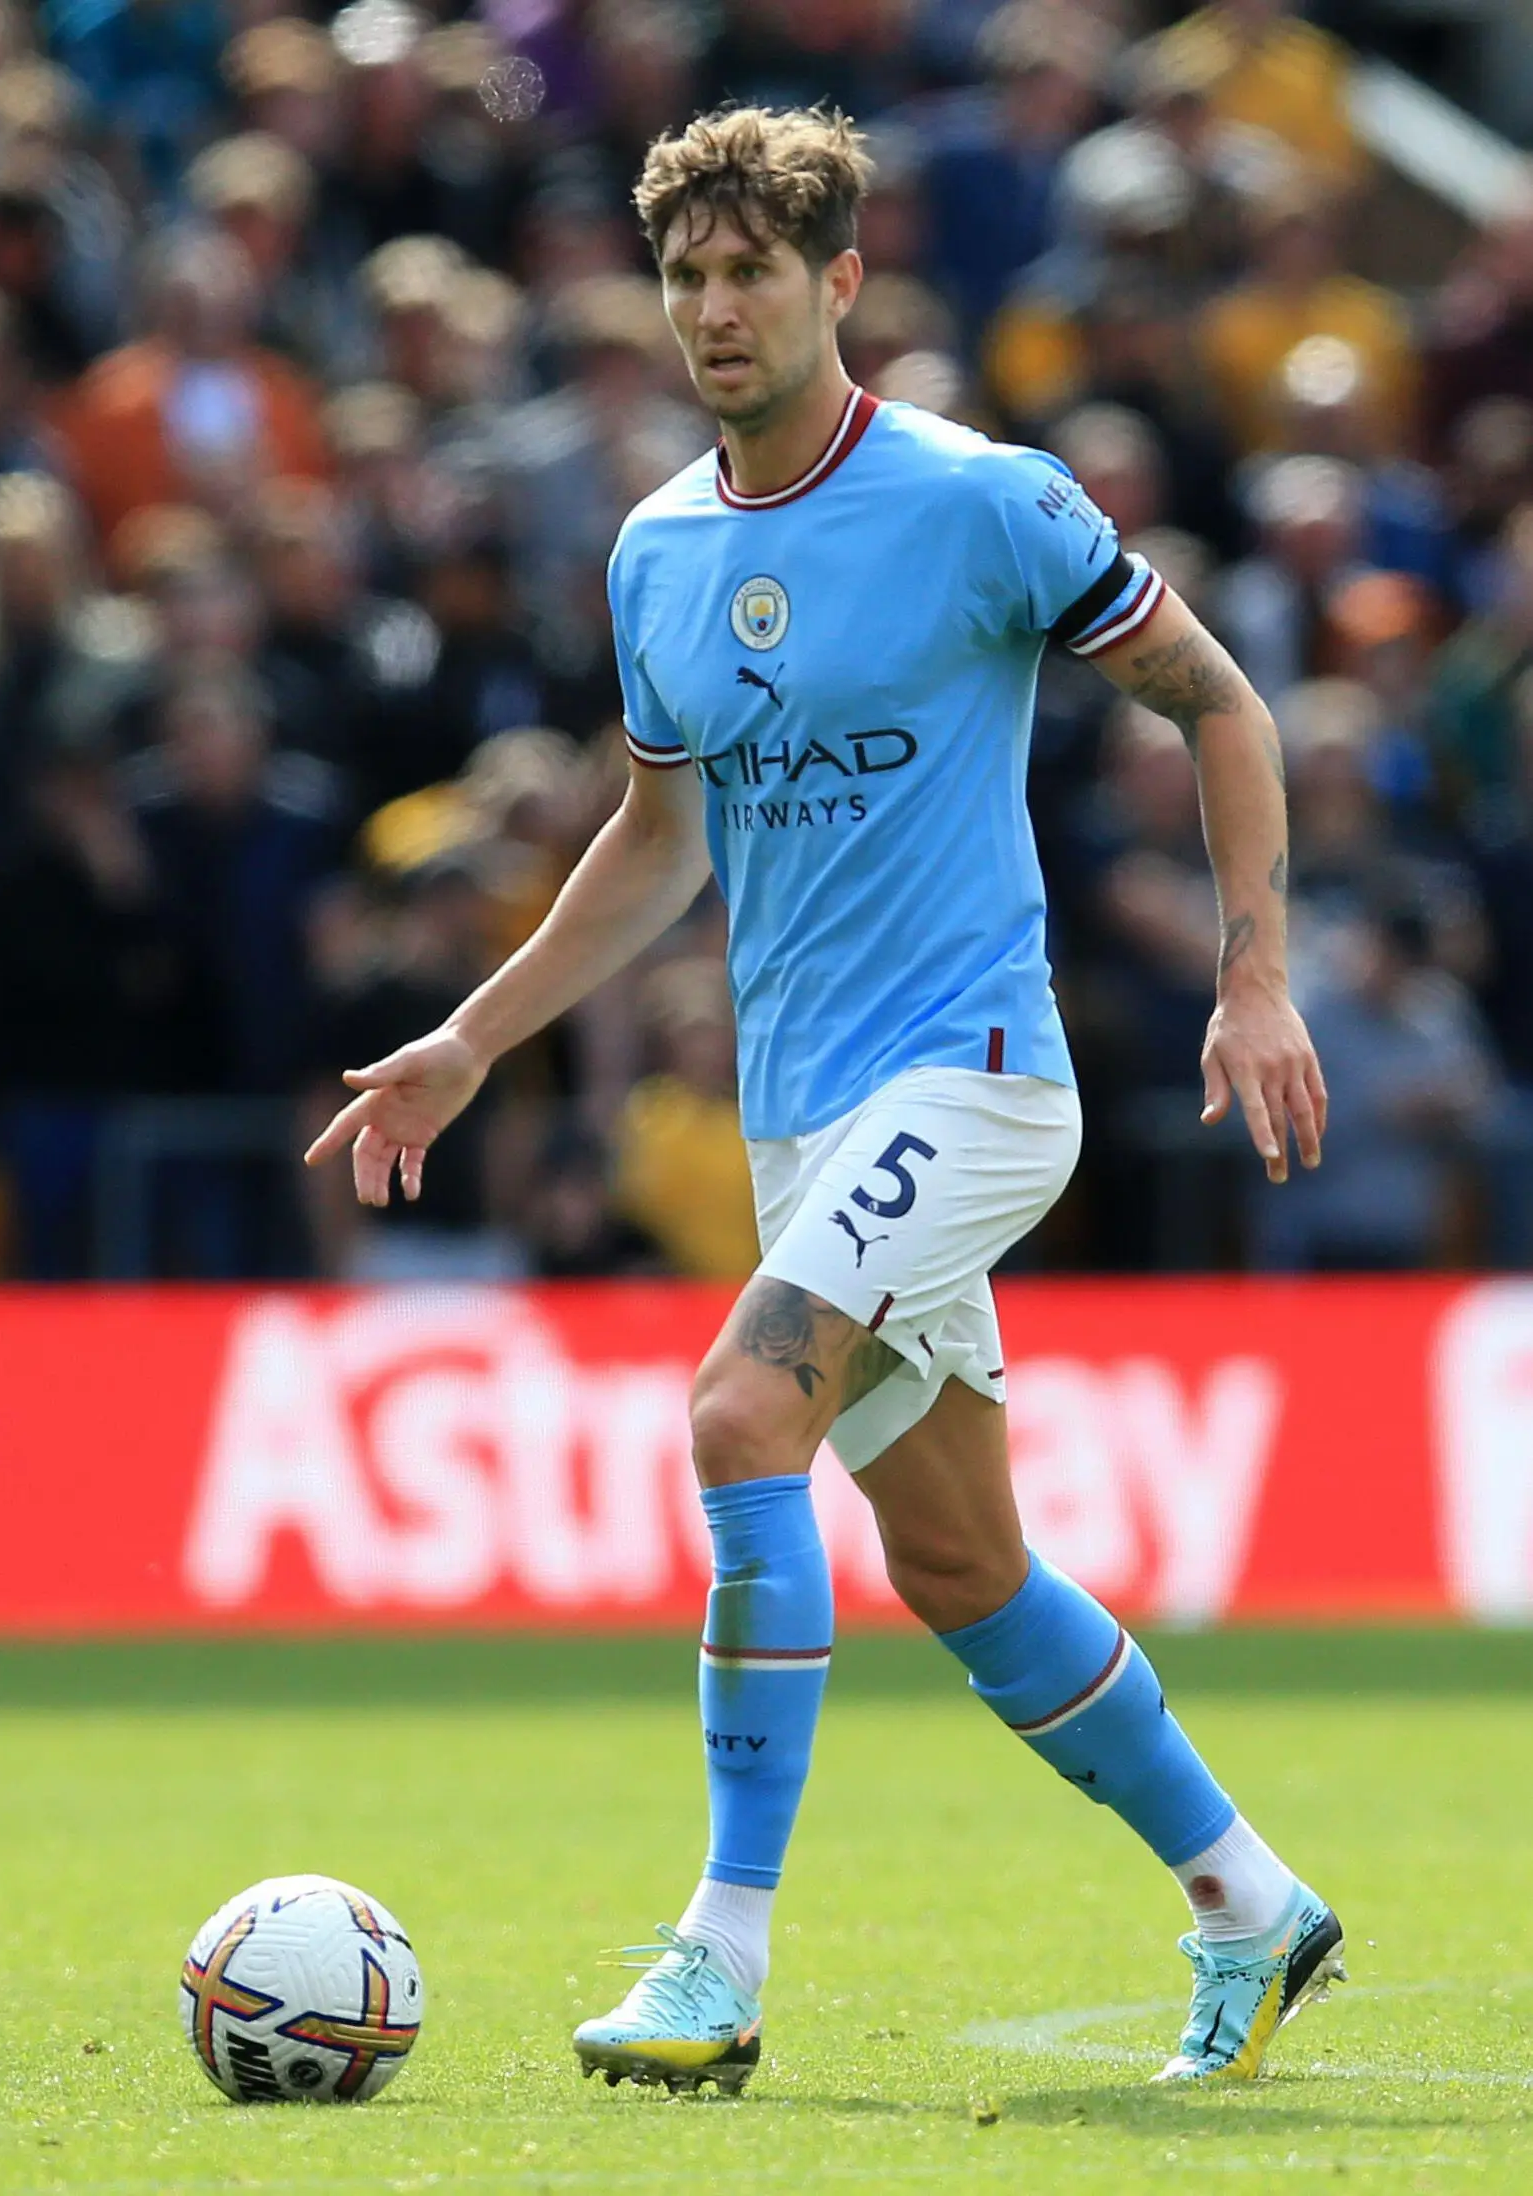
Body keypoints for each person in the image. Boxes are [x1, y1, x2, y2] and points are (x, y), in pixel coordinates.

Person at [306, 105, 1340, 2092]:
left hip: (974, 1076)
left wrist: (1253, 973)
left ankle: (719, 1955)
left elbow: (1218, 700)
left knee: (734, 1410)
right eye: (684, 275)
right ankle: (1251, 1902)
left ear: (838, 282)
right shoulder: (658, 550)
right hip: (808, 1127)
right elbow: (654, 838)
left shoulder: (980, 500)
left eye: (750, 271)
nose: (713, 308)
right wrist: (473, 1038)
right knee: (962, 1569)